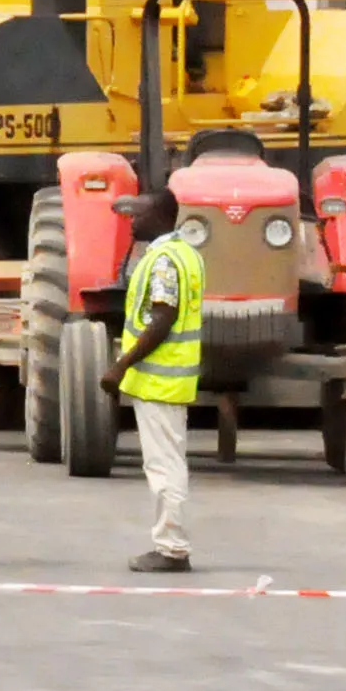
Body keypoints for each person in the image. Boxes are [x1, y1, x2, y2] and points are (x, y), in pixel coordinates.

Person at [101, 188, 204, 572]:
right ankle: (170, 544)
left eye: (139, 215)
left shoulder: (162, 259)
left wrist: (121, 364)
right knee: (167, 461)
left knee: (164, 467)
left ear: (161, 216)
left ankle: (172, 549)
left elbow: (162, 318)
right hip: (171, 380)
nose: (132, 220)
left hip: (159, 382)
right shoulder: (186, 253)